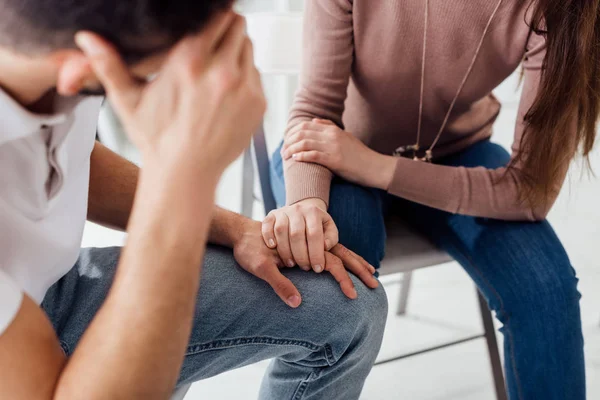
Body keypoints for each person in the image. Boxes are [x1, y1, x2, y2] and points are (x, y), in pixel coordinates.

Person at [0, 1, 389, 399]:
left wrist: (234, 228)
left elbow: (70, 153)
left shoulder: (46, 46)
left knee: (347, 306)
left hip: (50, 287)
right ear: (88, 65)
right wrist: (184, 179)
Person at [265, 1, 599, 399]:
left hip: (451, 155)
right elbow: (314, 110)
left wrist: (378, 168)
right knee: (341, 277)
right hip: (335, 150)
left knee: (545, 289)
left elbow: (530, 190)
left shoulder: (560, 9)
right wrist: (308, 204)